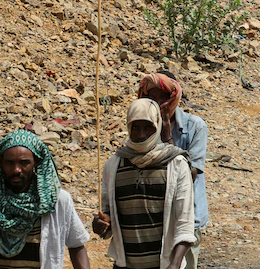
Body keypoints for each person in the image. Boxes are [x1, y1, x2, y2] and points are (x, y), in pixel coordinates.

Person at [93, 99, 195, 269]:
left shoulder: (176, 164)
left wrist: (175, 264)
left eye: (148, 127)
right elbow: (107, 217)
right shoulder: (113, 166)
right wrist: (100, 225)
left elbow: (185, 221)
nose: (141, 135)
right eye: (136, 127)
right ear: (128, 128)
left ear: (158, 127)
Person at [138, 72, 208, 269]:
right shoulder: (143, 127)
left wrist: (168, 139)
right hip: (152, 218)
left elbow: (190, 175)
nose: (159, 104)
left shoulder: (195, 127)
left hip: (186, 219)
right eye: (152, 99)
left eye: (164, 98)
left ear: (173, 98)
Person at [0, 130, 89, 269]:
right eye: (9, 163)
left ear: (36, 162)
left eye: (24, 163)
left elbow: (76, 245)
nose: (16, 169)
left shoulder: (56, 201)